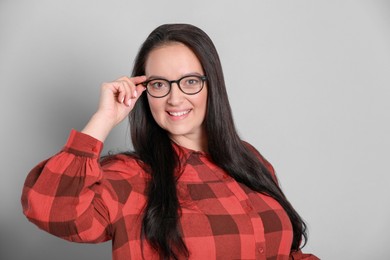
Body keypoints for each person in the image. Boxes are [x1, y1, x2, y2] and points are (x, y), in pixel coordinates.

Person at [21, 23, 318, 260]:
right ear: (143, 90)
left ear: (211, 85)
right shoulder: (131, 176)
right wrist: (103, 119)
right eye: (159, 84)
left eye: (189, 81)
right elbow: (49, 209)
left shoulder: (249, 159)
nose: (175, 98)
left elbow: (285, 252)